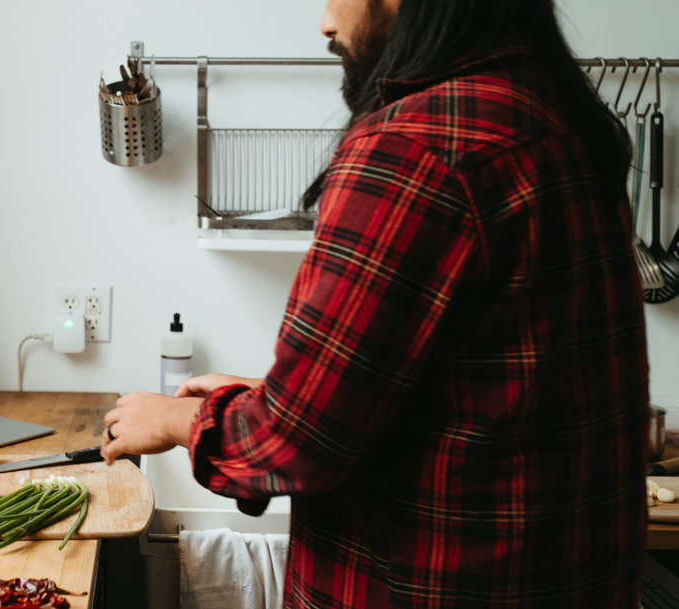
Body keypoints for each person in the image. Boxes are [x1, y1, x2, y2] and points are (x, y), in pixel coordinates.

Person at [101, 0, 649, 607]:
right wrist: (270, 393)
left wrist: (175, 420)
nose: (325, 22)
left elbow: (299, 442)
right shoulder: (559, 120)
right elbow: (488, 397)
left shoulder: (416, 144)